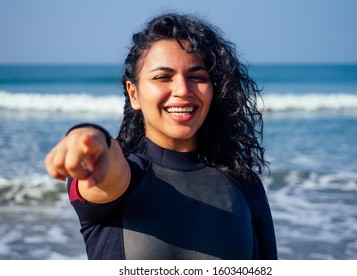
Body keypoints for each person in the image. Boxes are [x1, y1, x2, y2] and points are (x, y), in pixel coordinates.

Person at [45, 12, 277, 260]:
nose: (182, 90)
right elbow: (109, 170)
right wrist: (89, 137)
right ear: (133, 93)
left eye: (197, 77)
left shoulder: (244, 184)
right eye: (163, 77)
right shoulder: (122, 173)